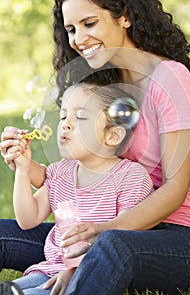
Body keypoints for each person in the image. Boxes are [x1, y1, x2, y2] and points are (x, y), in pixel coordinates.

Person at [0, 0, 190, 295]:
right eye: (71, 29)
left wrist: (98, 238)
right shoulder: (103, 87)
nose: (79, 39)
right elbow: (74, 173)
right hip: (108, 224)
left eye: (89, 23)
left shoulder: (169, 79)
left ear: (124, 16)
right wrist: (25, 165)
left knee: (112, 247)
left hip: (187, 238)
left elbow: (174, 190)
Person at [2, 81, 153, 295]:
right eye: (63, 116)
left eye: (80, 117)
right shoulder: (61, 172)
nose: (65, 124)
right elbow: (28, 219)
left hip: (94, 273)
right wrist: (23, 168)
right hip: (48, 272)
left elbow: (124, 238)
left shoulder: (130, 177)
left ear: (112, 135)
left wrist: (78, 269)